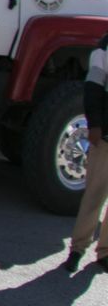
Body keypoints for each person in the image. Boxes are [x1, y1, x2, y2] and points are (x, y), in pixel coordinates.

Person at [63, 31, 108, 273]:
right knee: (94, 195)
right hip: (105, 137)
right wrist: (95, 125)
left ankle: (105, 252)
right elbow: (93, 88)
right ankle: (77, 249)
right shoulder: (104, 48)